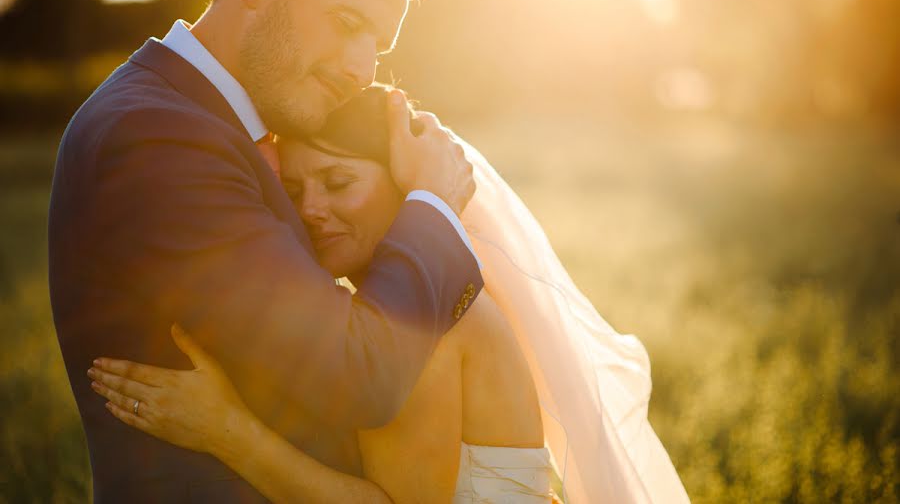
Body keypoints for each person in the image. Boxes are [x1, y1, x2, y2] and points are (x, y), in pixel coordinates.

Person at [48, 0, 484, 501]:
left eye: (376, 47)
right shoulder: (159, 136)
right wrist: (432, 200)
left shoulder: (200, 121)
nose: (361, 68)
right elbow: (357, 377)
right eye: (347, 21)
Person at [88, 86, 692, 504]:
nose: (312, 210)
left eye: (339, 182)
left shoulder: (425, 318)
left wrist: (223, 428)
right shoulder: (427, 292)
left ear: (406, 187)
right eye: (294, 189)